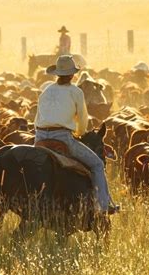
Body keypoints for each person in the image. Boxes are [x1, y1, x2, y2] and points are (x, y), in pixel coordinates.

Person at [34, 55, 118, 214]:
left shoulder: (46, 91)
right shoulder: (76, 92)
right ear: (73, 74)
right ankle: (104, 206)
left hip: (39, 138)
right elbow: (83, 120)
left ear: (57, 73)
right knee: (97, 165)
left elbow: (37, 118)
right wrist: (79, 134)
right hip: (62, 137)